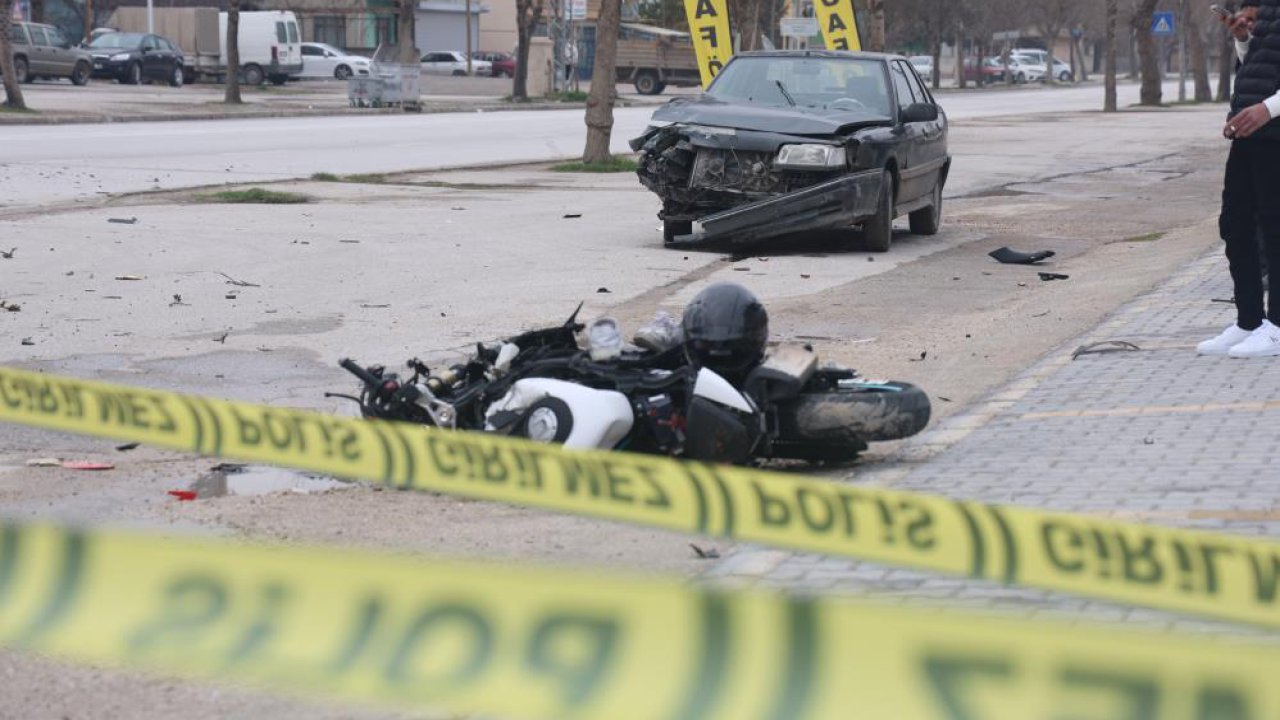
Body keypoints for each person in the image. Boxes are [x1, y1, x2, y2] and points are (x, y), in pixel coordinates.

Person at [1198, 1, 1280, 357]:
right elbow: (1259, 65)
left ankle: (1277, 327)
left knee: (1275, 229)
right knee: (1234, 224)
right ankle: (1250, 320)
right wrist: (1243, 40)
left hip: (1273, 129)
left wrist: (1269, 108)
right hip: (1249, 131)